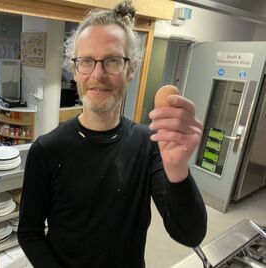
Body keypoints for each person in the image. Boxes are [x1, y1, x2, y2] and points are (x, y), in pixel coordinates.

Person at [17, 1, 207, 267]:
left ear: (131, 69)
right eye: (86, 61)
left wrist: (178, 168)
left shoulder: (149, 144)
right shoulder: (47, 150)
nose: (98, 73)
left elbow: (189, 234)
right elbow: (29, 232)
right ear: (74, 70)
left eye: (112, 61)